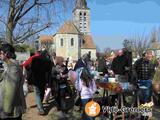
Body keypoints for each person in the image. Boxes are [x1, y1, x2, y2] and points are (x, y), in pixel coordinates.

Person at [0, 43, 26, 120]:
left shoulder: (13, 66)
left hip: (10, 111)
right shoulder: (8, 65)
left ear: (7, 53)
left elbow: (10, 90)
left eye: (1, 53)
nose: (0, 55)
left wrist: (5, 111)